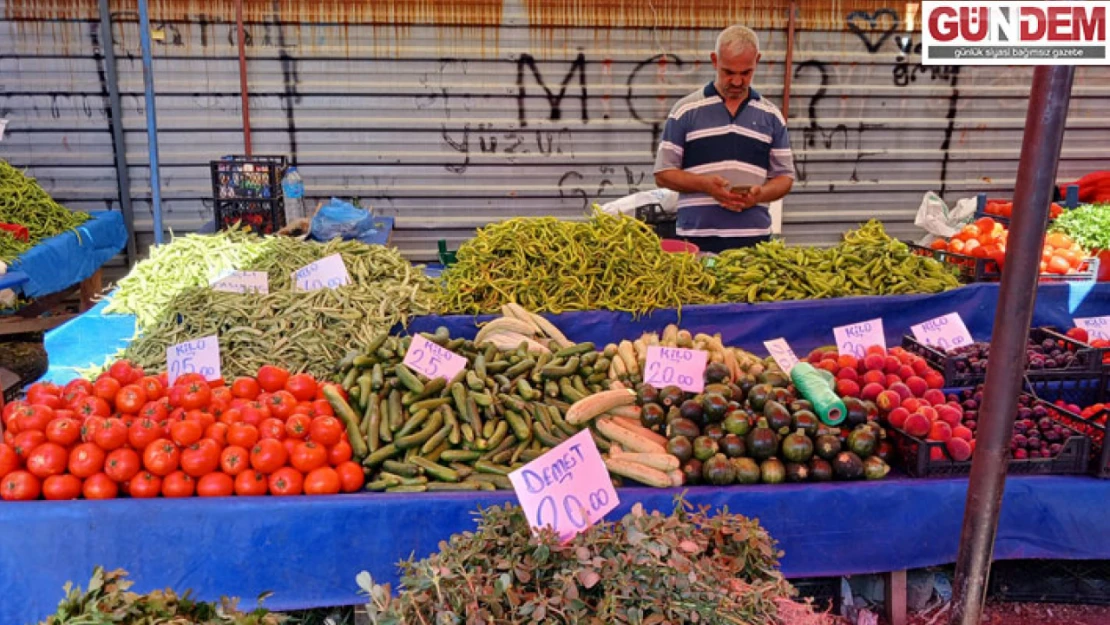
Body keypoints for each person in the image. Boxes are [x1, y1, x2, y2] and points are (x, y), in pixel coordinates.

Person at [653, 25, 795, 254]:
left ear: (757, 61)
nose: (737, 81)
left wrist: (760, 194)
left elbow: (785, 177)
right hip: (695, 244)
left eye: (746, 73)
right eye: (729, 72)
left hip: (755, 246)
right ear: (714, 60)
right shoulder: (685, 111)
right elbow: (663, 173)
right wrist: (706, 186)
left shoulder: (771, 116)